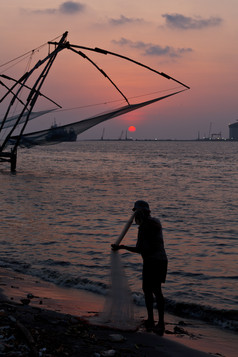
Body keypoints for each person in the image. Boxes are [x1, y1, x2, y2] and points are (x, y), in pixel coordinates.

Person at [111, 200, 168, 335]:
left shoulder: (144, 227)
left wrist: (122, 247)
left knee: (153, 291)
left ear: (140, 213)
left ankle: (159, 323)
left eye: (136, 213)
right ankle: (153, 320)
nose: (134, 217)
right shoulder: (156, 222)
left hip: (153, 262)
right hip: (160, 261)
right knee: (150, 290)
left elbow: (140, 249)